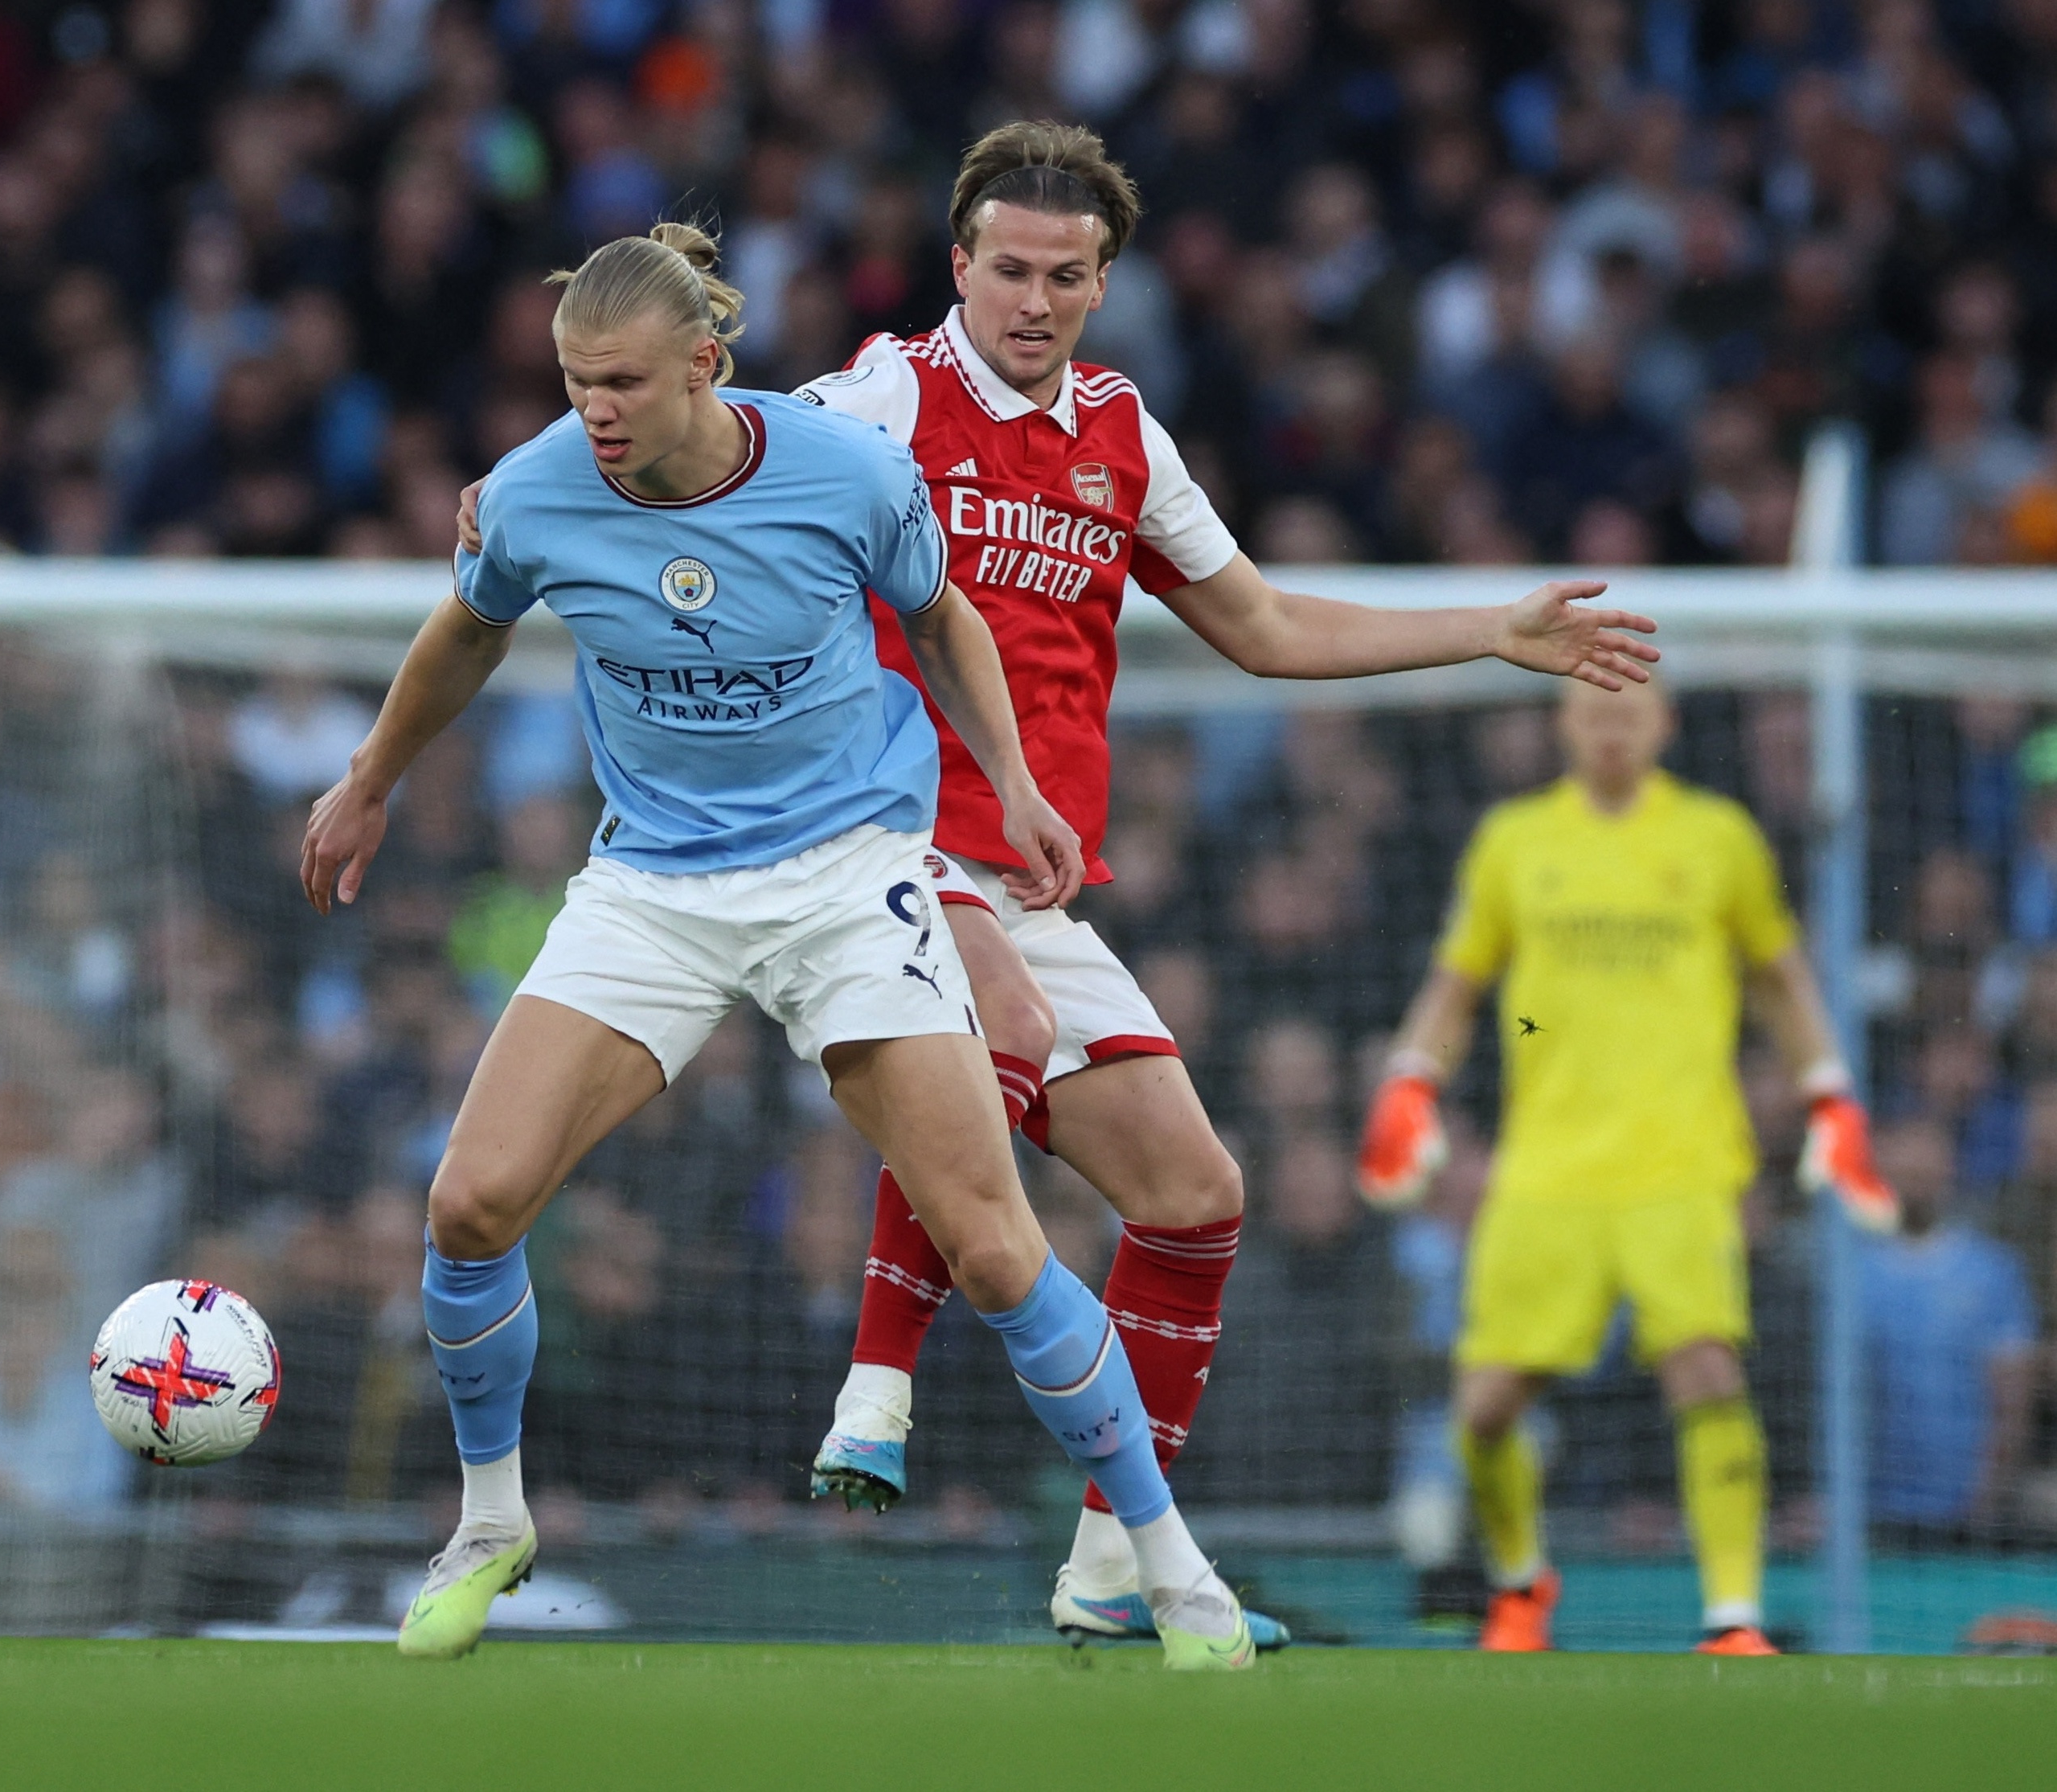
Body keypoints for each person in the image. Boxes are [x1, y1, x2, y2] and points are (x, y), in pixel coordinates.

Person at [455, 122, 1659, 1644]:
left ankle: (1107, 1567)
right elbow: (707, 433)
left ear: (1103, 284)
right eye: (1009, 268)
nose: (1034, 298)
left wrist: (1489, 630)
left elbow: (1267, 626)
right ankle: (874, 1388)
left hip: (1028, 868)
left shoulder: (1123, 439)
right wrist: (535, 483)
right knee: (1002, 1022)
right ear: (958, 265)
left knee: (1195, 1193)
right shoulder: (885, 394)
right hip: (880, 845)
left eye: (1066, 276)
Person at [302, 222, 1262, 1668]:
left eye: (622, 381)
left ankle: (1172, 1571)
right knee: (470, 1204)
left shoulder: (846, 472)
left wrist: (1007, 783)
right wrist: (372, 774)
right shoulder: (538, 491)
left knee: (997, 1249)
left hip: (844, 874)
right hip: (652, 890)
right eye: (573, 383)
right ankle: (491, 1519)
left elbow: (943, 621)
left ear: (705, 364)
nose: (596, 413)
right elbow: (465, 630)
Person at [1354, 675, 1898, 1656]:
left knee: (1704, 1368)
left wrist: (1828, 1092)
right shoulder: (1515, 841)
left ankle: (1732, 1617)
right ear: (1563, 723)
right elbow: (1455, 983)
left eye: (1628, 714)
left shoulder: (1717, 838)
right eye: (1592, 714)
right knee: (1481, 1409)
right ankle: (1520, 1584)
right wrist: (1407, 1083)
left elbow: (1778, 974)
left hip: (1681, 1163)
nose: (1609, 731)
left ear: (1664, 724)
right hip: (1545, 1170)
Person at [1860, 1118, 2038, 1538]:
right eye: (1906, 1170)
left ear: (1950, 1172)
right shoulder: (1851, 1274)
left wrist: (1986, 1499)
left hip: (1964, 1510)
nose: (1916, 1180)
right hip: (1871, 1512)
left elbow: (2013, 1396)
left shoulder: (1993, 1270)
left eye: (1927, 1169)